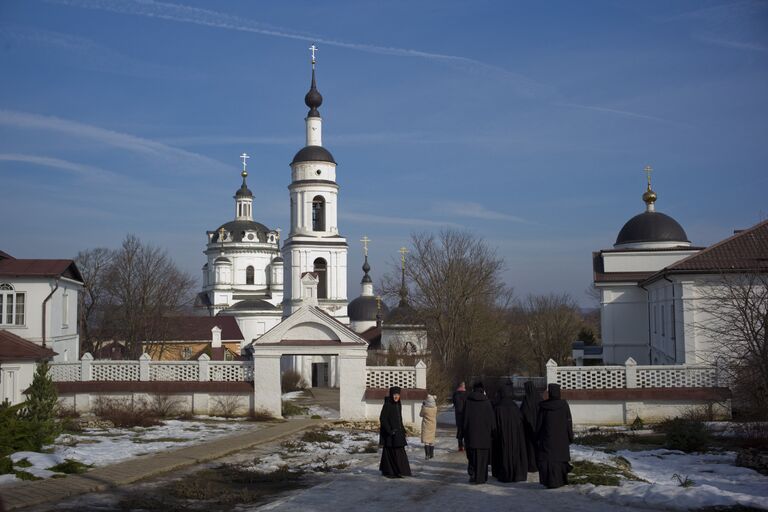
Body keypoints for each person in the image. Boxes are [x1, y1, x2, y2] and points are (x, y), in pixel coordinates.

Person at [536, 383, 574, 489]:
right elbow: (568, 421)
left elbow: (539, 423)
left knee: (549, 460)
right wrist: (570, 436)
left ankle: (549, 481)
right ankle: (560, 480)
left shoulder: (544, 406)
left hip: (547, 437)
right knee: (559, 459)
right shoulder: (564, 405)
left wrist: (537, 435)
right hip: (561, 438)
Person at [492, 383, 528, 483]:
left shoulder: (498, 408)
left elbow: (493, 425)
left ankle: (505, 473)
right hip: (515, 436)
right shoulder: (515, 407)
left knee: (503, 453)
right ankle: (516, 473)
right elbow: (520, 422)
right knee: (514, 453)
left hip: (502, 436)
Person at [462, 381, 495, 484]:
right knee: (483, 458)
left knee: (472, 457)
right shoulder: (487, 402)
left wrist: (463, 432)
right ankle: (482, 477)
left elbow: (465, 419)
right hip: (484, 437)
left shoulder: (468, 402)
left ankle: (473, 474)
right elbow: (491, 420)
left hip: (471, 436)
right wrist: (492, 432)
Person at [379, 386, 412, 478]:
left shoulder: (398, 404)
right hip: (390, 434)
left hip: (398, 433)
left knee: (399, 451)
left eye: (397, 395)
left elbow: (399, 419)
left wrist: (403, 430)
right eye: (394, 395)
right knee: (390, 452)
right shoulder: (387, 404)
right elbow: (383, 419)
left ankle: (399, 471)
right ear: (391, 395)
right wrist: (389, 431)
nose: (396, 397)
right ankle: (391, 472)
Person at [520, 380, 541, 473]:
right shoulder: (539, 398)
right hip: (538, 427)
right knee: (538, 446)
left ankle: (532, 465)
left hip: (528, 428)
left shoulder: (526, 400)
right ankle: (539, 464)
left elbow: (522, 413)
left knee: (530, 448)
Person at [420, 394, 437, 459]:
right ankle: (432, 454)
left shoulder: (425, 409)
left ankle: (427, 455)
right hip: (433, 425)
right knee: (431, 440)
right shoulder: (435, 408)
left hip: (426, 425)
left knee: (426, 441)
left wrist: (423, 406)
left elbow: (421, 414)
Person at [452, 381, 467, 451]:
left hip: (458, 415)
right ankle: (466, 445)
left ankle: (460, 446)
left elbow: (454, 403)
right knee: (466, 430)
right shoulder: (466, 394)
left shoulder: (455, 394)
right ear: (463, 386)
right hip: (465, 415)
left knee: (460, 431)